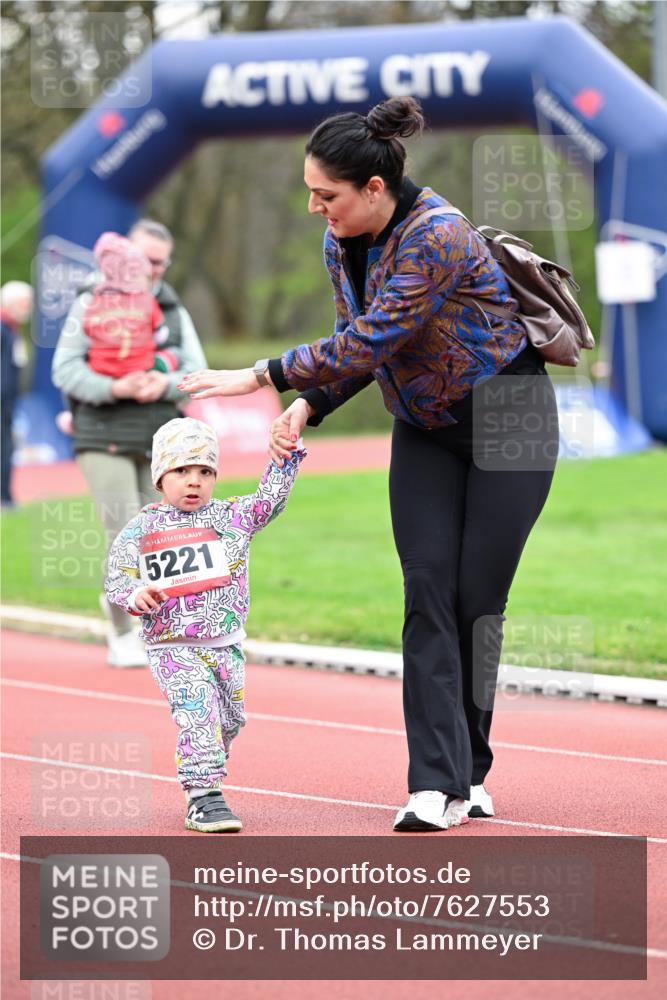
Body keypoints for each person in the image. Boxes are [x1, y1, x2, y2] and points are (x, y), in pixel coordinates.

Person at [179, 97, 559, 833]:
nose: (315, 208)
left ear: (374, 190)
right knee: (425, 593)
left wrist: (262, 375)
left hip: (507, 422)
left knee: (474, 603)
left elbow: (376, 334)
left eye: (327, 196)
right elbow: (356, 341)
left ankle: (468, 773)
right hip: (422, 425)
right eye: (310, 193)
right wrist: (308, 404)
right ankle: (432, 785)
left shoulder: (436, 237)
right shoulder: (338, 243)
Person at [104, 416, 306, 832]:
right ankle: (203, 796)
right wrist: (134, 595)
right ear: (160, 477)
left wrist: (284, 460)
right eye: (181, 471)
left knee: (229, 719)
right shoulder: (143, 527)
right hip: (172, 644)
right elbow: (117, 576)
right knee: (198, 710)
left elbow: (270, 500)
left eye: (204, 472)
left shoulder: (233, 517)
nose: (193, 481)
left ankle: (208, 763)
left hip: (225, 642)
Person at [52, 219, 207, 669]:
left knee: (161, 539)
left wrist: (162, 383)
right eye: (144, 260)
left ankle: (158, 626)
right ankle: (122, 632)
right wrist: (115, 388)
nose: (152, 269)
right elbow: (64, 369)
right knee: (124, 535)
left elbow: (196, 371)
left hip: (161, 438)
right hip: (103, 435)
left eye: (160, 262)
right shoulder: (91, 302)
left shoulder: (172, 308)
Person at [1, 280, 32, 508]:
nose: (28, 308)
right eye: (24, 303)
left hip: (8, 404)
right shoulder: (3, 329)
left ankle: (6, 496)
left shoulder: (12, 329)